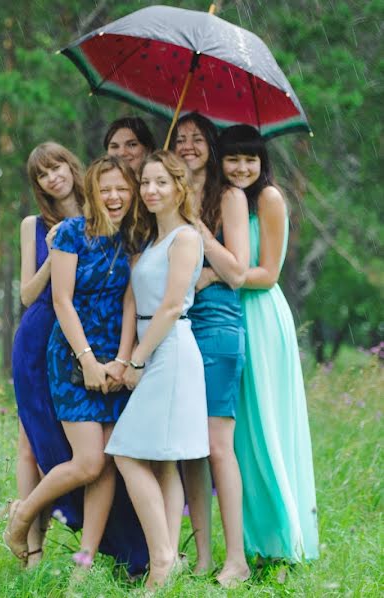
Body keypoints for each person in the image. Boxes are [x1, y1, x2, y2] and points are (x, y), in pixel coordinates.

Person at [5, 152, 148, 575]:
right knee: (87, 461)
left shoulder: (133, 238)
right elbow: (61, 300)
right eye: (106, 190)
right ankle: (24, 516)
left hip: (114, 359)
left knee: (104, 463)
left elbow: (129, 302)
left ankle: (84, 562)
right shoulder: (69, 233)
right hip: (72, 357)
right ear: (93, 191)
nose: (115, 197)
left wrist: (122, 360)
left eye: (123, 189)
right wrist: (87, 360)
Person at [105, 151, 207, 591]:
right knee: (163, 463)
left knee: (125, 452)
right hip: (152, 344)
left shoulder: (186, 238)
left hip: (170, 349)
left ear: (179, 187)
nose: (150, 190)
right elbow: (135, 301)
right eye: (145, 182)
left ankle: (162, 559)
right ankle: (169, 564)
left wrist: (138, 359)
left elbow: (170, 305)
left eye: (161, 182)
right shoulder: (152, 241)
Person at [219, 124, 319, 563]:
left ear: (263, 163)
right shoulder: (224, 201)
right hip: (228, 313)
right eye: (233, 158)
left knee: (265, 427)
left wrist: (217, 273)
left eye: (250, 159)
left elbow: (266, 273)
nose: (242, 168)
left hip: (259, 314)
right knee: (237, 436)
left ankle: (284, 541)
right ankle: (251, 543)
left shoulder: (269, 199)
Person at [172, 113, 251, 585]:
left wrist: (198, 232)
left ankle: (236, 558)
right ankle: (202, 556)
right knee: (188, 449)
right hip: (178, 326)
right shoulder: (166, 195)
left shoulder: (229, 197)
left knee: (218, 444)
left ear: (211, 145)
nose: (187, 146)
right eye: (180, 139)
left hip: (218, 325)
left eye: (197, 139)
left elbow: (238, 272)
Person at [10, 141, 85, 569]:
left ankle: (95, 537)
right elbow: (26, 294)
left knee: (81, 447)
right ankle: (32, 550)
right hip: (38, 338)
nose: (52, 177)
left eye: (57, 167)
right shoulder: (33, 225)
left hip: (83, 339)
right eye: (42, 174)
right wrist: (53, 251)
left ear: (72, 167)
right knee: (30, 445)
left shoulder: (100, 214)